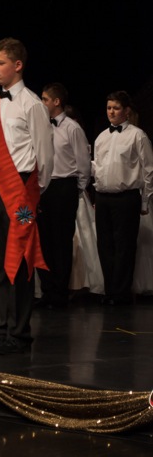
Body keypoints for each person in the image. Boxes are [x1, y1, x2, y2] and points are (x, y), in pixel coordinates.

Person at [0, 37, 54, 355]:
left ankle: (19, 334)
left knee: (19, 260)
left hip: (20, 186)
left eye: (1, 63)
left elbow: (44, 156)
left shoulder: (32, 104)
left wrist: (34, 193)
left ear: (18, 65)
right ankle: (2, 329)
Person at [93, 90, 153, 305]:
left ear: (126, 111)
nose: (111, 112)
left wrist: (145, 201)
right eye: (109, 108)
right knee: (105, 246)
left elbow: (148, 170)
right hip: (103, 197)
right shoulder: (101, 137)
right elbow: (97, 167)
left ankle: (121, 293)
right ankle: (110, 290)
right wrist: (96, 194)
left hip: (127, 197)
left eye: (116, 108)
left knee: (124, 246)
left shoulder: (138, 135)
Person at [35, 82, 91, 308]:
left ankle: (59, 293)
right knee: (44, 241)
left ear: (56, 102)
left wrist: (75, 190)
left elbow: (84, 164)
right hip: (43, 187)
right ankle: (47, 291)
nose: (42, 103)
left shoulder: (72, 128)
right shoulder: (40, 126)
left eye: (45, 99)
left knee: (61, 242)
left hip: (64, 186)